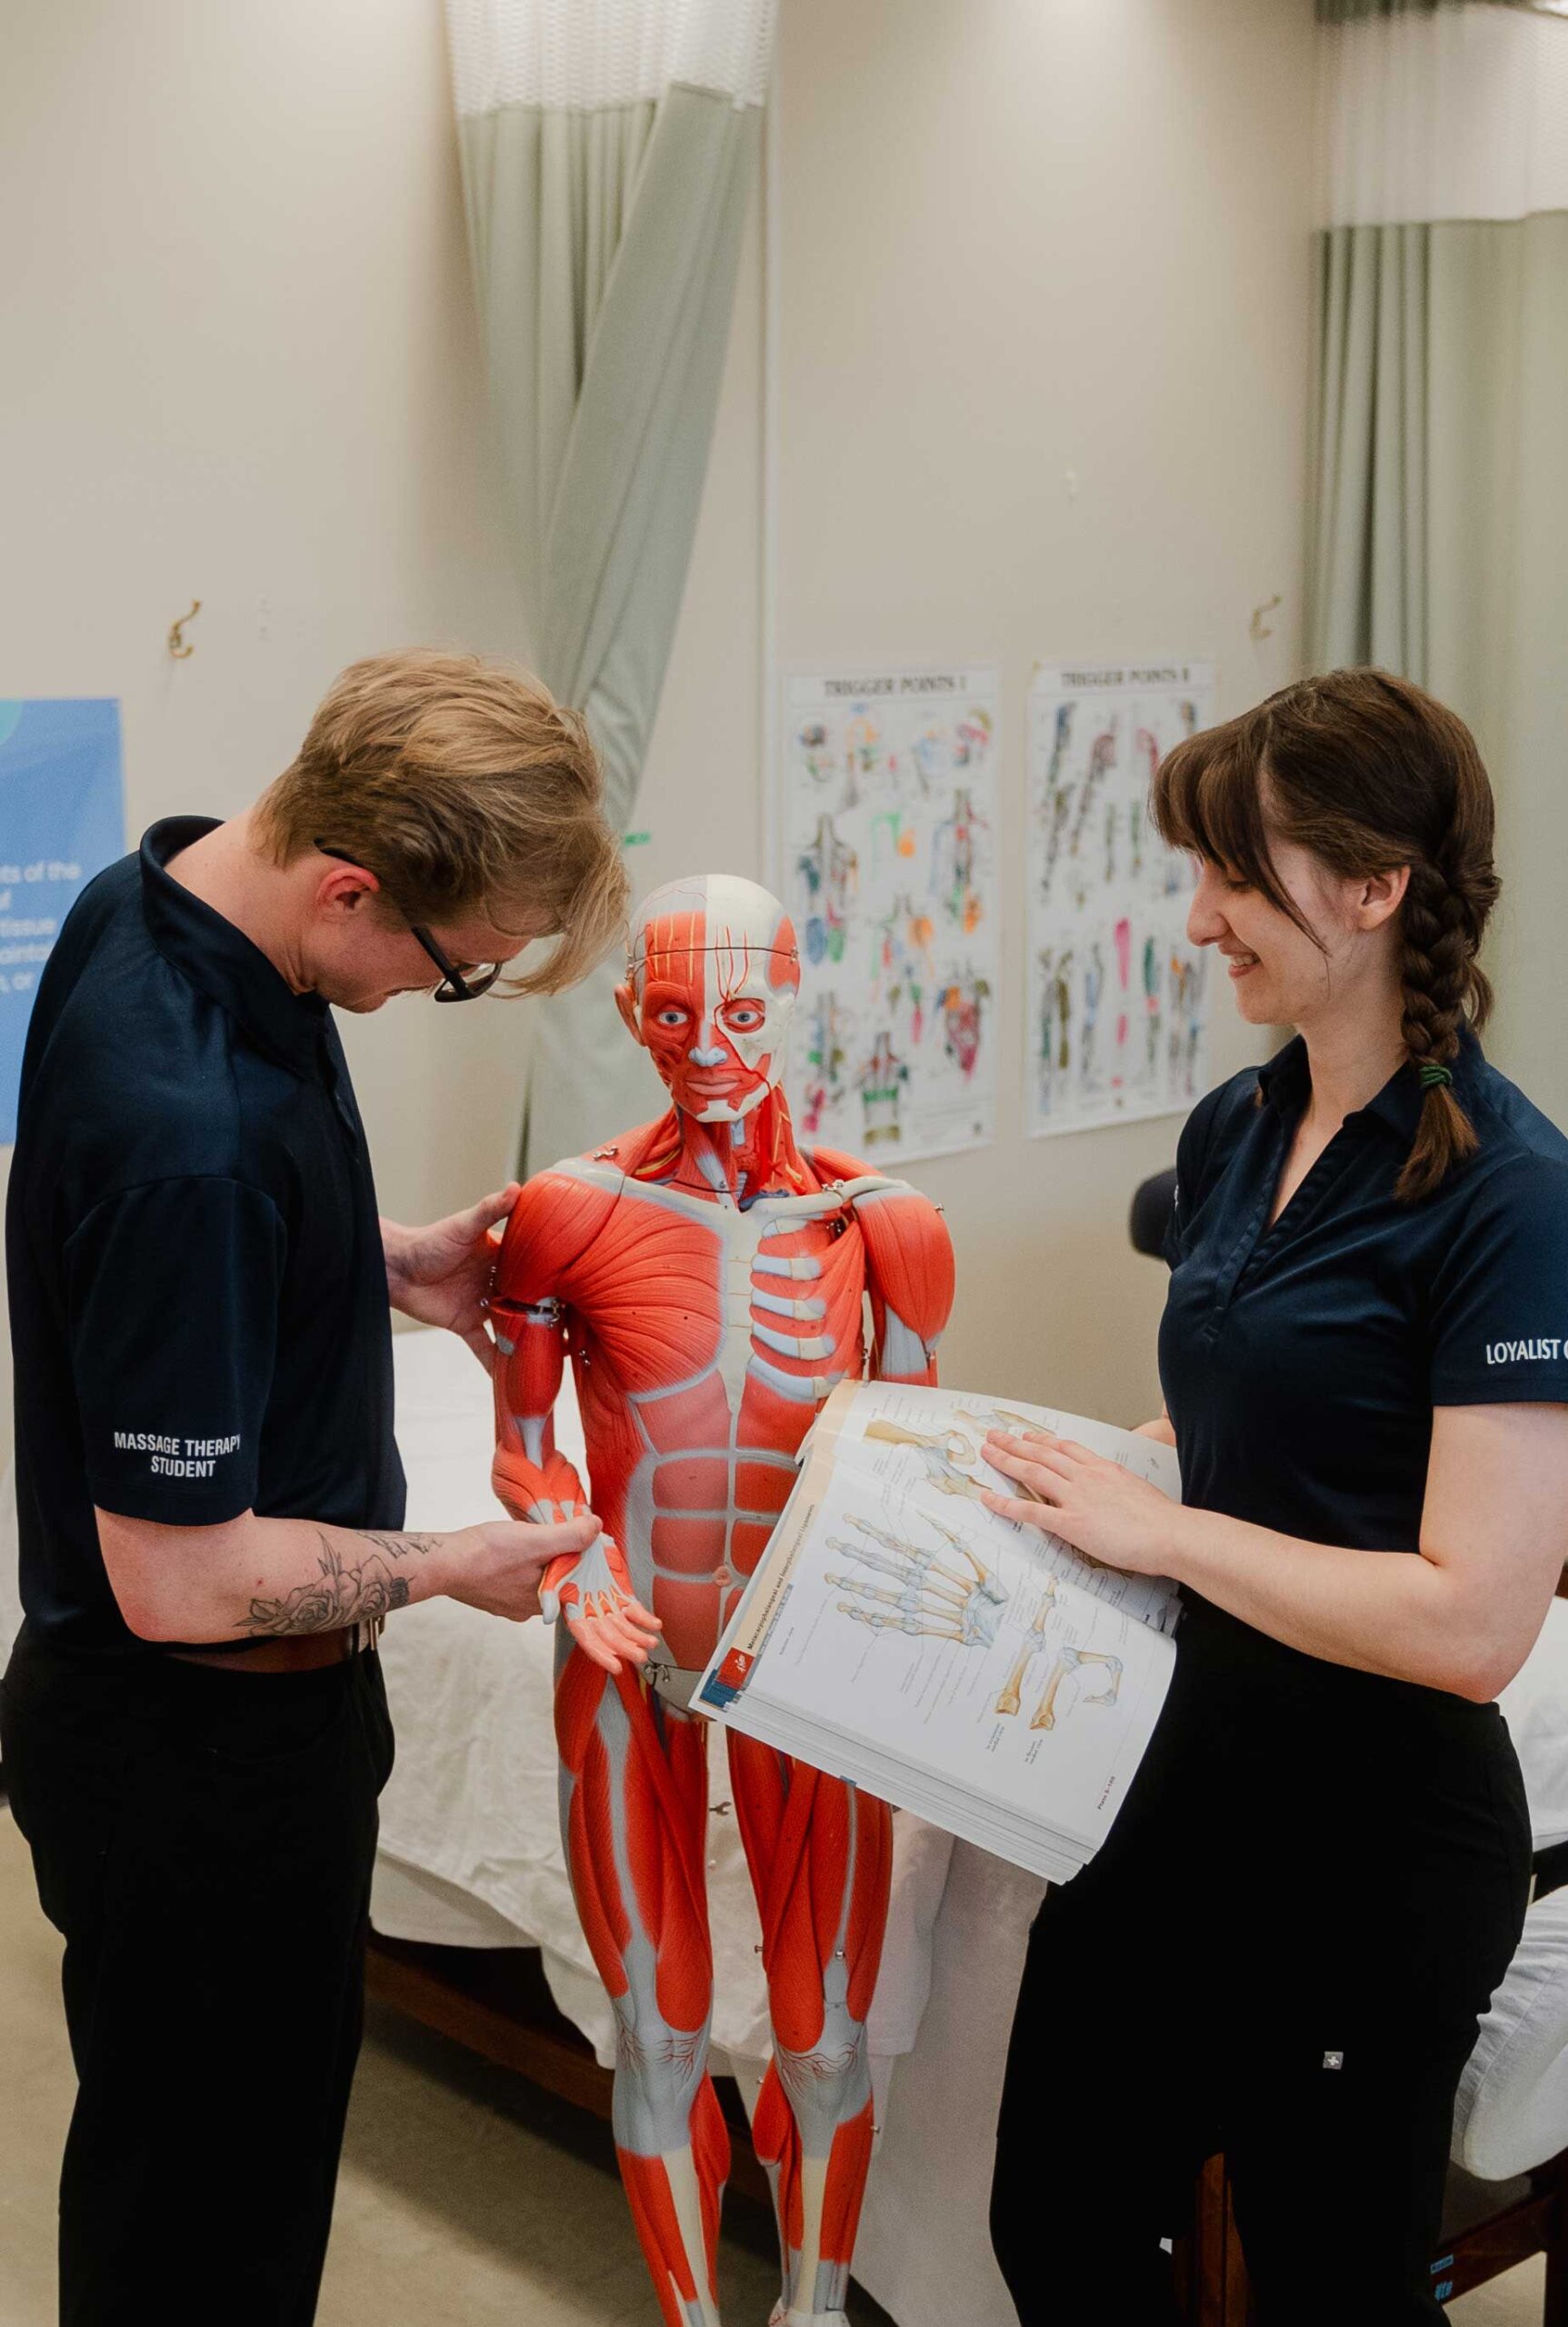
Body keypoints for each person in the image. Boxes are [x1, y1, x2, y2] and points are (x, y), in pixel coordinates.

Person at [0, 650, 660, 2327]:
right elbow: (184, 1579)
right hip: (195, 1752)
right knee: (205, 2231)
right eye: (453, 973)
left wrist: (382, 1262)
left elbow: (151, 1257)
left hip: (200, 1735)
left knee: (201, 2179)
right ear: (353, 880)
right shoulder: (187, 1125)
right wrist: (458, 1565)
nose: (418, 996)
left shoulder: (152, 897)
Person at [984, 669, 1568, 2325]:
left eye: (1234, 878)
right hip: (1179, 1779)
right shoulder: (1239, 1129)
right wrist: (1095, 1477)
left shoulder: (1511, 1201)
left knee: (1329, 2289)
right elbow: (1264, 1439)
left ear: (1373, 888)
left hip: (1373, 1837)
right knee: (1061, 2221)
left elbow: (1471, 1621)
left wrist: (1161, 1531)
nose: (1197, 922)